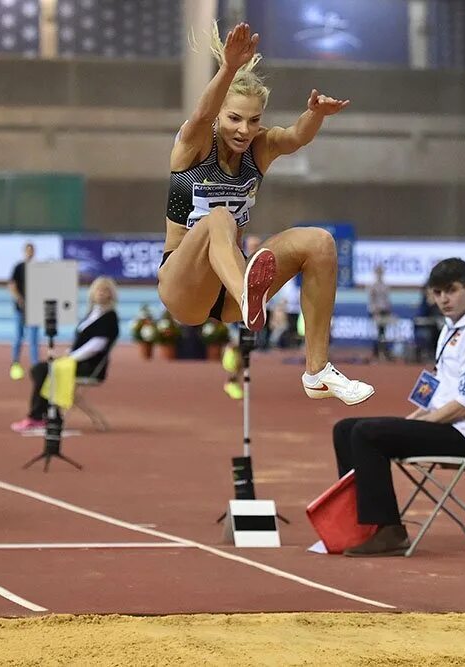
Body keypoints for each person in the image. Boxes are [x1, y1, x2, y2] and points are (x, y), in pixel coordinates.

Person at [156, 22, 372, 406]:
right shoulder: (193, 144)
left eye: (253, 120)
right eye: (235, 118)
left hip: (230, 296)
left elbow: (295, 137)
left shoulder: (259, 148)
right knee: (218, 218)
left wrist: (316, 115)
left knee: (319, 242)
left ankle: (317, 370)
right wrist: (226, 70)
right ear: (219, 115)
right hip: (184, 285)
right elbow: (200, 114)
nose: (244, 129)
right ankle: (247, 291)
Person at [332, 258, 465, 557]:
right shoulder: (450, 329)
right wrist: (411, 420)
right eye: (437, 293)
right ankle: (360, 523)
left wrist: (419, 426)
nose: (443, 300)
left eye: (450, 291)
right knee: (345, 429)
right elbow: (437, 385)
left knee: (366, 433)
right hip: (443, 424)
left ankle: (389, 530)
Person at [11, 277, 120, 433]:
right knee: (39, 369)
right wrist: (69, 354)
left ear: (112, 295)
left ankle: (37, 417)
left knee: (43, 370)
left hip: (88, 366)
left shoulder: (110, 318)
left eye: (105, 291)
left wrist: (72, 357)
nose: (101, 294)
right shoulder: (91, 314)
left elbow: (96, 346)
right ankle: (43, 414)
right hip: (75, 360)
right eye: (98, 290)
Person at [222, 234, 263, 399]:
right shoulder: (241, 262)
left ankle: (234, 379)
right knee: (237, 345)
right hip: (235, 311)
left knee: (245, 350)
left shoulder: (262, 264)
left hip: (251, 312)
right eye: (253, 245)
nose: (256, 248)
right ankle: (231, 379)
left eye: (258, 245)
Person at [8, 243, 40, 380]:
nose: (30, 253)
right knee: (18, 336)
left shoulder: (39, 268)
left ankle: (35, 365)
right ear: (24, 252)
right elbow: (12, 285)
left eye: (31, 251)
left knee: (33, 338)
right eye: (27, 251)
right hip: (20, 308)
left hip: (35, 308)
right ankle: (15, 362)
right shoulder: (18, 267)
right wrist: (20, 299)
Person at [367, 265, 393, 361]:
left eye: (381, 272)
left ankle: (383, 352)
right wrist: (374, 311)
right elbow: (371, 300)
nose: (379, 275)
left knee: (383, 333)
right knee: (378, 333)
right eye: (378, 273)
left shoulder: (385, 286)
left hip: (385, 311)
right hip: (376, 312)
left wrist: (389, 310)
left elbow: (387, 300)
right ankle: (377, 352)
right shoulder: (373, 286)